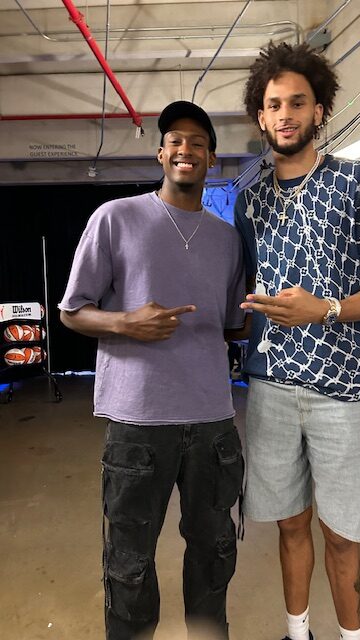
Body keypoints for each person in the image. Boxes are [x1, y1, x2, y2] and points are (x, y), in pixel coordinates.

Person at [234, 42, 360, 640]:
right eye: (273, 104)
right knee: (289, 524)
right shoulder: (251, 200)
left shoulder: (357, 181)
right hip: (272, 388)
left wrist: (324, 309)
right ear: (260, 115)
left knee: (343, 532)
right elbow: (245, 282)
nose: (285, 114)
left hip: (342, 388)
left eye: (297, 103)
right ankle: (297, 631)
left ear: (319, 110)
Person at [59, 100, 245, 640]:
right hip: (138, 423)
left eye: (198, 142)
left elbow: (232, 324)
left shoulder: (227, 238)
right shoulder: (115, 217)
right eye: (176, 139)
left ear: (211, 159)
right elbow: (72, 311)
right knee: (130, 560)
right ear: (161, 152)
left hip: (212, 421)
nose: (186, 149)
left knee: (213, 555)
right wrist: (126, 323)